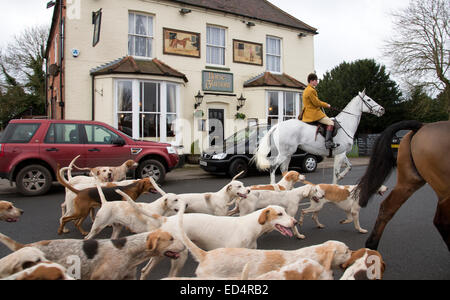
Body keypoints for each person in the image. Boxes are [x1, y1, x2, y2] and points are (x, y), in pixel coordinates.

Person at [300, 73, 339, 149]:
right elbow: (316, 103)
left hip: (308, 112)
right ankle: (328, 142)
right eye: (316, 80)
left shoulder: (306, 89)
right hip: (313, 113)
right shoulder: (311, 90)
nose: (317, 82)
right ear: (311, 81)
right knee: (331, 122)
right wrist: (326, 105)